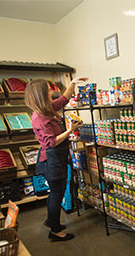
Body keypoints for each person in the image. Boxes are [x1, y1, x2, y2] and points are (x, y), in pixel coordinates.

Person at [26, 77, 87, 241]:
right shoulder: (39, 117)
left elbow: (64, 99)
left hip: (56, 158)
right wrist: (70, 130)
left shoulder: (46, 109)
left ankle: (51, 221)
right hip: (51, 161)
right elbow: (51, 142)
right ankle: (55, 230)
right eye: (48, 89)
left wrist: (73, 83)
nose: (52, 91)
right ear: (41, 94)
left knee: (55, 193)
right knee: (56, 194)